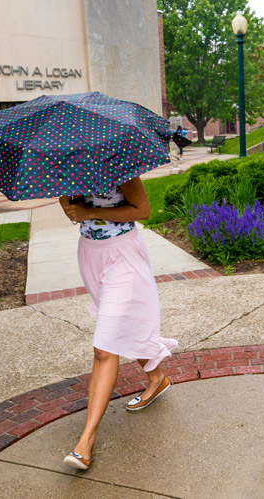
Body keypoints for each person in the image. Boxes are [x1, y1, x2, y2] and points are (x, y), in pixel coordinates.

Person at [58, 176, 178, 470]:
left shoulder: (119, 164)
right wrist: (69, 203)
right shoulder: (66, 167)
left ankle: (85, 443)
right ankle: (157, 378)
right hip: (89, 255)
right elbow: (71, 211)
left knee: (104, 346)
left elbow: (142, 210)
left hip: (123, 255)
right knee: (124, 327)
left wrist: (89, 213)